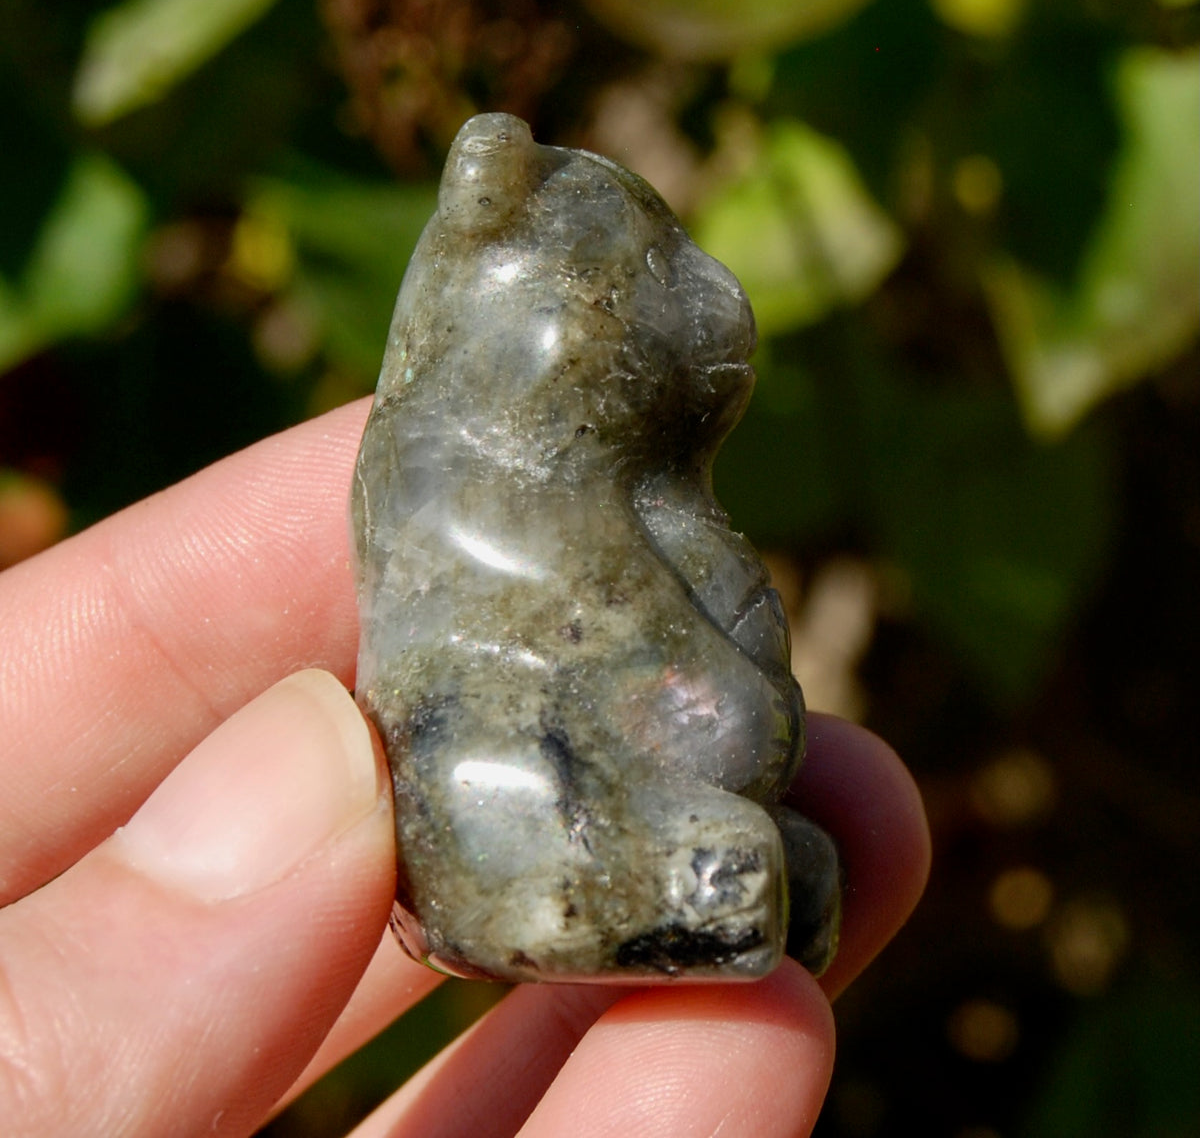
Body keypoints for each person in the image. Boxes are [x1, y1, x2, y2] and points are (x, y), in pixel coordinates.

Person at [0, 399, 930, 1138]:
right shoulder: (486, 466)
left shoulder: (568, 471)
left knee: (783, 845)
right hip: (501, 808)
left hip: (585, 769)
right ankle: (657, 893)